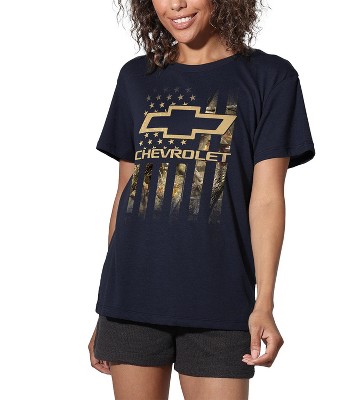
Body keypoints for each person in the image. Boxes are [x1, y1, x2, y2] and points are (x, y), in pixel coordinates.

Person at [88, 0, 316, 398]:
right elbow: (126, 193)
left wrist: (264, 302)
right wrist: (107, 306)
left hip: (221, 301)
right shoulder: (136, 77)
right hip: (132, 301)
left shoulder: (270, 77)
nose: (175, 4)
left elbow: (266, 199)